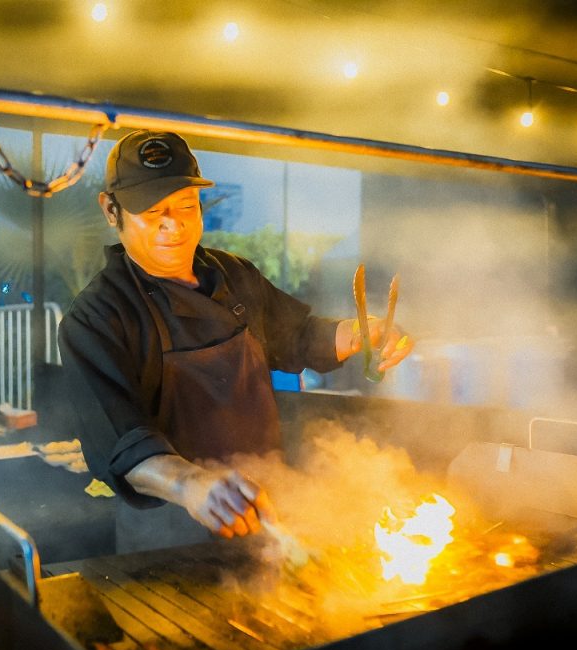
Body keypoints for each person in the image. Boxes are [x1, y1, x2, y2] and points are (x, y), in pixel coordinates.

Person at [58, 130, 413, 553]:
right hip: (169, 538)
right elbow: (121, 443)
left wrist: (361, 334)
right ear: (111, 210)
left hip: (267, 514)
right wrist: (192, 483)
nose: (173, 226)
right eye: (153, 213)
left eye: (186, 207)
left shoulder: (233, 275)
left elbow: (299, 336)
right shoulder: (96, 316)